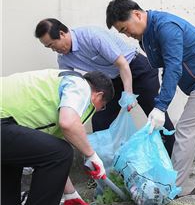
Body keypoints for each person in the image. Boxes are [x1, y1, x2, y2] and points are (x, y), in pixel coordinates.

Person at [105, 0, 195, 198]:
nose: (126, 35)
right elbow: (164, 67)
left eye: (125, 29)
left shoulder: (166, 27)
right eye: (122, 32)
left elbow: (173, 67)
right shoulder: (145, 37)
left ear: (137, 14)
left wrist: (161, 106)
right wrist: (160, 102)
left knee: (185, 133)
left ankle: (170, 190)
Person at [0, 69, 113, 205]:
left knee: (20, 151)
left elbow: (49, 157)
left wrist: (70, 193)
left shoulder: (54, 86)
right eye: (102, 105)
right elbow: (68, 124)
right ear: (98, 95)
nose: (98, 110)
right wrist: (91, 155)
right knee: (62, 151)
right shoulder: (79, 85)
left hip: (4, 123)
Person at [34, 18, 176, 156]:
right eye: (49, 47)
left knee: (156, 116)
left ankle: (174, 162)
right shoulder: (64, 58)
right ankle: (104, 170)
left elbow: (122, 64)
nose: (54, 50)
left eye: (52, 45)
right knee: (100, 119)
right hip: (112, 79)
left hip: (136, 69)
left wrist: (128, 93)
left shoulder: (91, 36)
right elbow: (70, 83)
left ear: (62, 34)